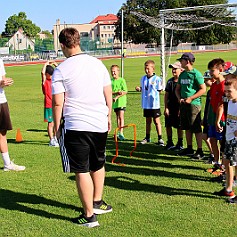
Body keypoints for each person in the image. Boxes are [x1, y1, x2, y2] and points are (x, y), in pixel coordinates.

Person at [52, 27, 112, 228]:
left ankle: (88, 216)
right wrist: (108, 114)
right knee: (98, 163)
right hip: (99, 122)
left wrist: (57, 125)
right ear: (78, 41)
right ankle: (97, 202)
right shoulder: (98, 64)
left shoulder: (61, 69)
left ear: (62, 45)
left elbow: (58, 102)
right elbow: (108, 92)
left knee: (81, 169)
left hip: (76, 124)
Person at [175, 52, 206, 158]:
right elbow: (177, 89)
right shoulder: (182, 74)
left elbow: (203, 89)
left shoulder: (196, 74)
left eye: (181, 60)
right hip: (183, 104)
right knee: (186, 127)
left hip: (194, 104)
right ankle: (189, 148)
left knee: (196, 128)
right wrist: (179, 98)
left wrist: (191, 98)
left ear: (187, 61)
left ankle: (200, 150)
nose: (180, 62)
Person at [214, 67, 237, 200]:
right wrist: (219, 123)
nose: (227, 94)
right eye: (226, 91)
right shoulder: (230, 101)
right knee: (227, 163)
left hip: (235, 140)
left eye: (230, 91)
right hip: (229, 138)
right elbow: (223, 108)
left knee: (235, 165)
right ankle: (228, 190)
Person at [0, 58, 25, 171]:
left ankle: (7, 164)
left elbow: (2, 80)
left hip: (1, 100)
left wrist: (4, 83)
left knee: (2, 132)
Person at [135, 60, 164, 146]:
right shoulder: (143, 78)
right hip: (146, 104)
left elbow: (159, 90)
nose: (146, 70)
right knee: (148, 121)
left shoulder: (157, 79)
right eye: (145, 68)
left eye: (148, 68)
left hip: (154, 104)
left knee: (156, 121)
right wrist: (139, 89)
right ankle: (147, 137)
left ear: (153, 68)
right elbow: (144, 88)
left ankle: (160, 138)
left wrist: (159, 90)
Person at [164, 61, 183, 150]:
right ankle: (170, 141)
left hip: (178, 106)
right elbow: (166, 95)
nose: (173, 70)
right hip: (170, 106)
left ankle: (180, 143)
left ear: (181, 70)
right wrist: (166, 107)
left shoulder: (182, 82)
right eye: (172, 69)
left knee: (179, 125)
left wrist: (181, 108)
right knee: (168, 124)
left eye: (175, 68)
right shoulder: (170, 81)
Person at [41, 61, 59, 147]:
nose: (52, 76)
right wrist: (46, 63)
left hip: (55, 104)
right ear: (47, 74)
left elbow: (59, 71)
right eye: (50, 74)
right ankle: (51, 140)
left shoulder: (53, 79)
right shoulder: (45, 82)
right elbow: (42, 72)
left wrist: (55, 63)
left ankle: (55, 138)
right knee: (50, 123)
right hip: (48, 105)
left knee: (56, 122)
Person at [111, 64, 127, 141]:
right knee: (117, 117)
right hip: (115, 102)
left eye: (114, 71)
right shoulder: (111, 81)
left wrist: (118, 96)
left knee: (121, 116)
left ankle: (121, 132)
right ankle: (118, 131)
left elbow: (125, 91)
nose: (113, 73)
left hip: (121, 102)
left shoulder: (122, 80)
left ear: (118, 71)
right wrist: (116, 93)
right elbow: (110, 92)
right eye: (112, 72)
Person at [201, 70, 214, 163]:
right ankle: (212, 153)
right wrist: (204, 118)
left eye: (207, 80)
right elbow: (207, 106)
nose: (205, 82)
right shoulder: (210, 91)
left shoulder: (214, 91)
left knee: (210, 137)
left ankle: (214, 155)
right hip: (207, 117)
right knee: (204, 136)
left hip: (212, 118)